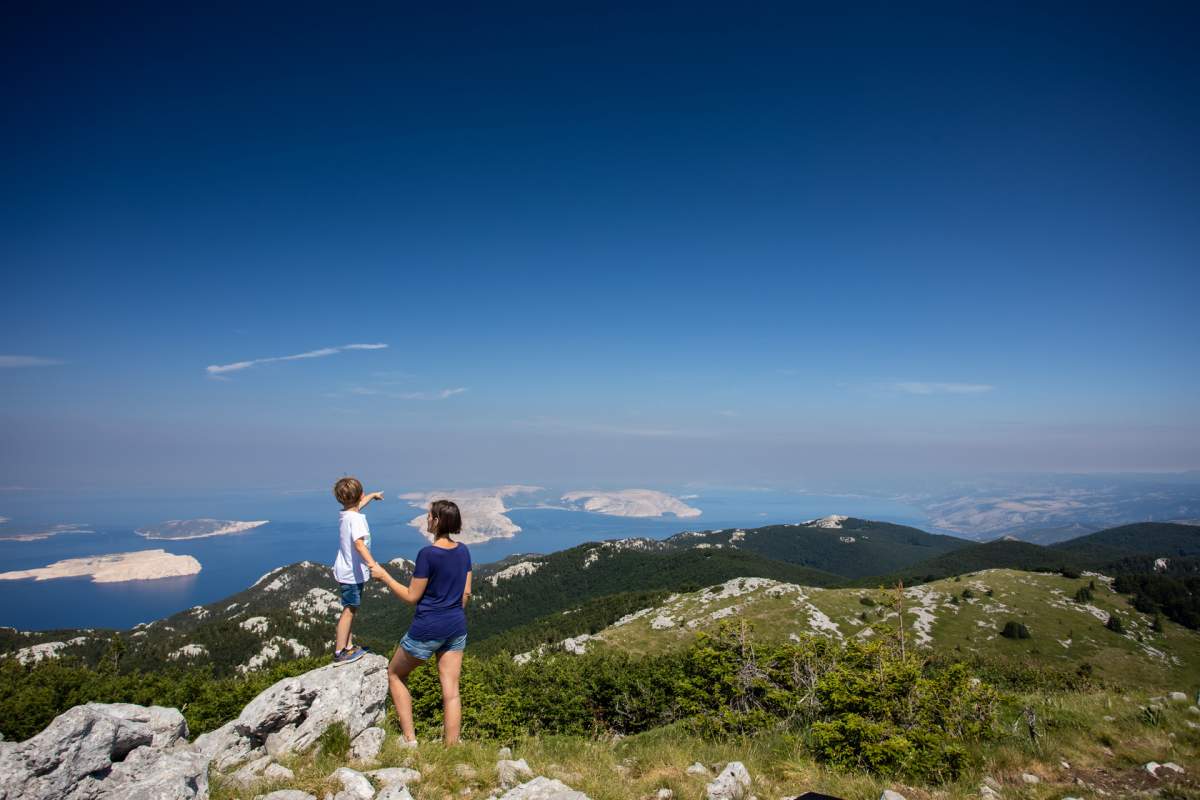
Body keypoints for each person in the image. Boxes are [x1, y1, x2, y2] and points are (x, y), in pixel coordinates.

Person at [370, 499, 472, 745]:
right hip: (456, 627)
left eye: (429, 515)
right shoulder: (464, 550)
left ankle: (409, 740)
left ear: (437, 521)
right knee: (451, 690)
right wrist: (451, 614)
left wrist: (384, 576)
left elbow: (411, 596)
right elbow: (466, 594)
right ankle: (452, 748)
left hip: (427, 627)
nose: (426, 519)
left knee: (394, 673)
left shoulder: (428, 554)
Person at [331, 476, 384, 665]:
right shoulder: (357, 520)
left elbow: (359, 504)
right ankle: (340, 652)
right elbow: (360, 545)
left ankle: (348, 647)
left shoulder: (346, 514)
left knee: (351, 609)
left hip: (345, 571)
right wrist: (373, 565)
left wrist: (373, 496)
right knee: (349, 611)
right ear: (359, 494)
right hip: (352, 574)